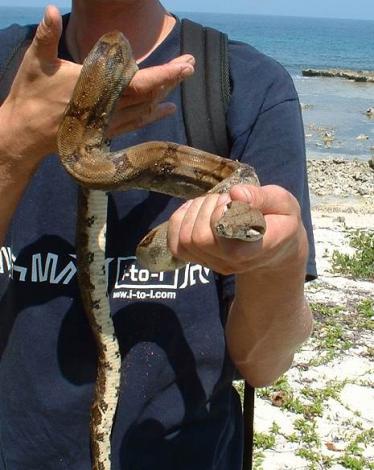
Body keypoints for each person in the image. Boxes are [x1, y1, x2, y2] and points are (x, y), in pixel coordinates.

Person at [0, 2, 316, 469]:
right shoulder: (8, 62)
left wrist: (277, 260)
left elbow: (263, 365)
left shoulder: (248, 84)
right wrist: (13, 145)